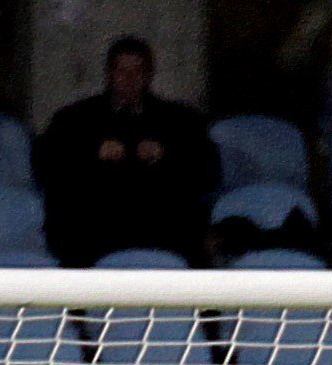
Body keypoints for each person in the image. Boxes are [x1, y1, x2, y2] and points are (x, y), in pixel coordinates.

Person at [37, 36, 217, 267]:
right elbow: (46, 166)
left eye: (137, 72)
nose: (129, 80)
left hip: (162, 226)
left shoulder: (179, 119)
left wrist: (167, 154)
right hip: (94, 226)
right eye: (121, 72)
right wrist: (92, 154)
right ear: (108, 74)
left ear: (149, 75)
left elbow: (210, 171)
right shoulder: (75, 118)